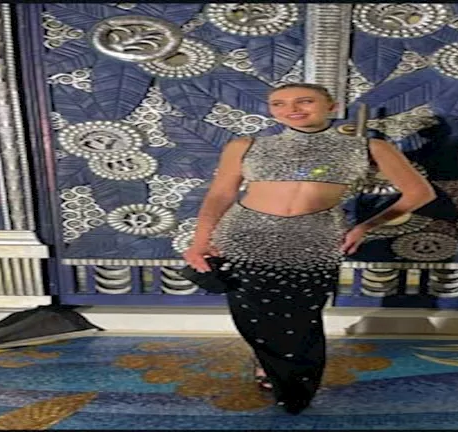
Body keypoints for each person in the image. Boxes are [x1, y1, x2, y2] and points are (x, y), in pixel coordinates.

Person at [182, 83, 436, 414]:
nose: (292, 109)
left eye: (304, 101)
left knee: (302, 318)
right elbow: (220, 194)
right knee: (252, 314)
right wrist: (200, 241)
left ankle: (294, 387)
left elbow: (419, 193)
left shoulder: (368, 146)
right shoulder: (246, 145)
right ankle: (264, 361)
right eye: (279, 103)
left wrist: (365, 227)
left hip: (315, 239)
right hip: (245, 236)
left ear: (332, 106)